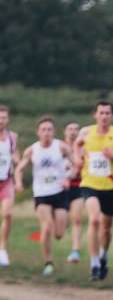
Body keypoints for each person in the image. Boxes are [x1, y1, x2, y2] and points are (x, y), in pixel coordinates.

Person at [74, 100, 113, 281]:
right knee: (94, 220)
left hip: (110, 186)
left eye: (107, 113)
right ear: (95, 115)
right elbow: (76, 145)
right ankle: (94, 264)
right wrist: (77, 158)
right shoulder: (86, 132)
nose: (104, 116)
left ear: (112, 116)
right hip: (89, 184)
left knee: (106, 229)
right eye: (101, 113)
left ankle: (103, 255)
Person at [14, 116, 72, 276]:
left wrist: (68, 177)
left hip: (60, 192)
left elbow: (75, 163)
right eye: (43, 130)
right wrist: (18, 182)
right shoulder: (32, 150)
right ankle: (48, 263)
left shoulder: (62, 147)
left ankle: (55, 226)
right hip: (41, 193)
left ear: (54, 132)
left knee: (59, 234)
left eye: (49, 129)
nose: (47, 133)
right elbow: (19, 169)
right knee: (46, 227)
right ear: (38, 133)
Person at [0, 105, 19, 267]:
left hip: (6, 181)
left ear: (8, 119)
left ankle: (3, 249)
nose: (1, 120)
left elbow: (15, 153)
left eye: (4, 117)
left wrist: (17, 160)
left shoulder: (12, 136)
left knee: (7, 214)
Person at [63, 120, 83, 263]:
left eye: (76, 129)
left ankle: (75, 251)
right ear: (65, 131)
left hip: (77, 186)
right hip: (58, 188)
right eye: (70, 129)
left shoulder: (83, 149)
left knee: (76, 219)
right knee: (61, 222)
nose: (73, 132)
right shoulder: (58, 147)